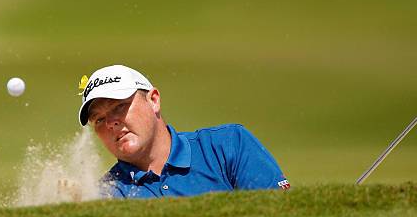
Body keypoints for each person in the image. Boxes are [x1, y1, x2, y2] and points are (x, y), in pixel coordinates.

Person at [77, 64, 290, 198]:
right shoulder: (108, 193)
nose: (111, 123)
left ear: (153, 100)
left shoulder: (227, 145)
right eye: (99, 119)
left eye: (120, 107)